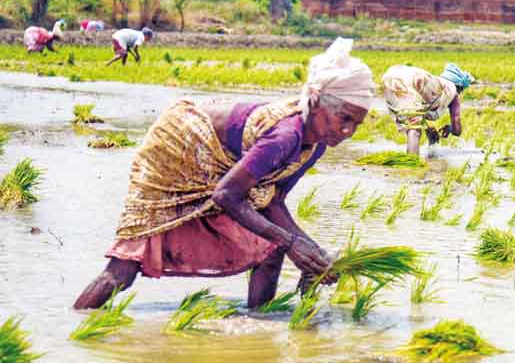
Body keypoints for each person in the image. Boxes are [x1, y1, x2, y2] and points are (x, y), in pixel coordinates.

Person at [74, 38, 375, 310]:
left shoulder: (316, 144)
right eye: (344, 118)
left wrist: (311, 252)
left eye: (356, 124)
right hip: (180, 147)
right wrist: (292, 244)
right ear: (317, 102)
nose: (348, 131)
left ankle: (259, 324)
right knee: (125, 266)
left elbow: (273, 201)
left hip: (224, 165)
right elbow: (226, 194)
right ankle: (75, 323)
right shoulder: (284, 136)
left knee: (271, 248)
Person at [382, 63, 474, 155]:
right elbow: (457, 130)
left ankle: (411, 161)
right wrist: (450, 128)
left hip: (392, 75)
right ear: (459, 87)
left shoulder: (434, 85)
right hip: (413, 79)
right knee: (414, 131)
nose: (459, 93)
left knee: (412, 123)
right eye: (461, 90)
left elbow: (419, 109)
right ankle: (412, 164)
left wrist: (428, 130)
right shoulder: (452, 92)